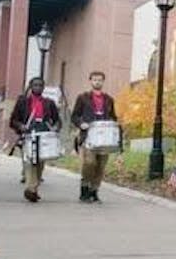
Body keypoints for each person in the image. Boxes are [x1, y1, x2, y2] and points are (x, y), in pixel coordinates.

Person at [9, 76, 62, 203]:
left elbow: (57, 120)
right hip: (28, 134)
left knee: (39, 163)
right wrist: (21, 126)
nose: (38, 87)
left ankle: (34, 187)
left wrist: (55, 128)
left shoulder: (49, 103)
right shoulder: (23, 102)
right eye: (35, 85)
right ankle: (30, 189)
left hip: (44, 134)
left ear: (43, 88)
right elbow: (13, 120)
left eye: (40, 85)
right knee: (29, 161)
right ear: (30, 87)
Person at [70, 71, 118, 203]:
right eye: (95, 80)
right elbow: (74, 116)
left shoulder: (109, 99)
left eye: (100, 80)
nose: (97, 82)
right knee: (89, 163)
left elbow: (113, 117)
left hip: (105, 138)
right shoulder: (83, 97)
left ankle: (94, 191)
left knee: (101, 166)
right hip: (89, 136)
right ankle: (84, 188)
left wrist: (114, 125)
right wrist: (81, 124)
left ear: (103, 82)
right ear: (90, 81)